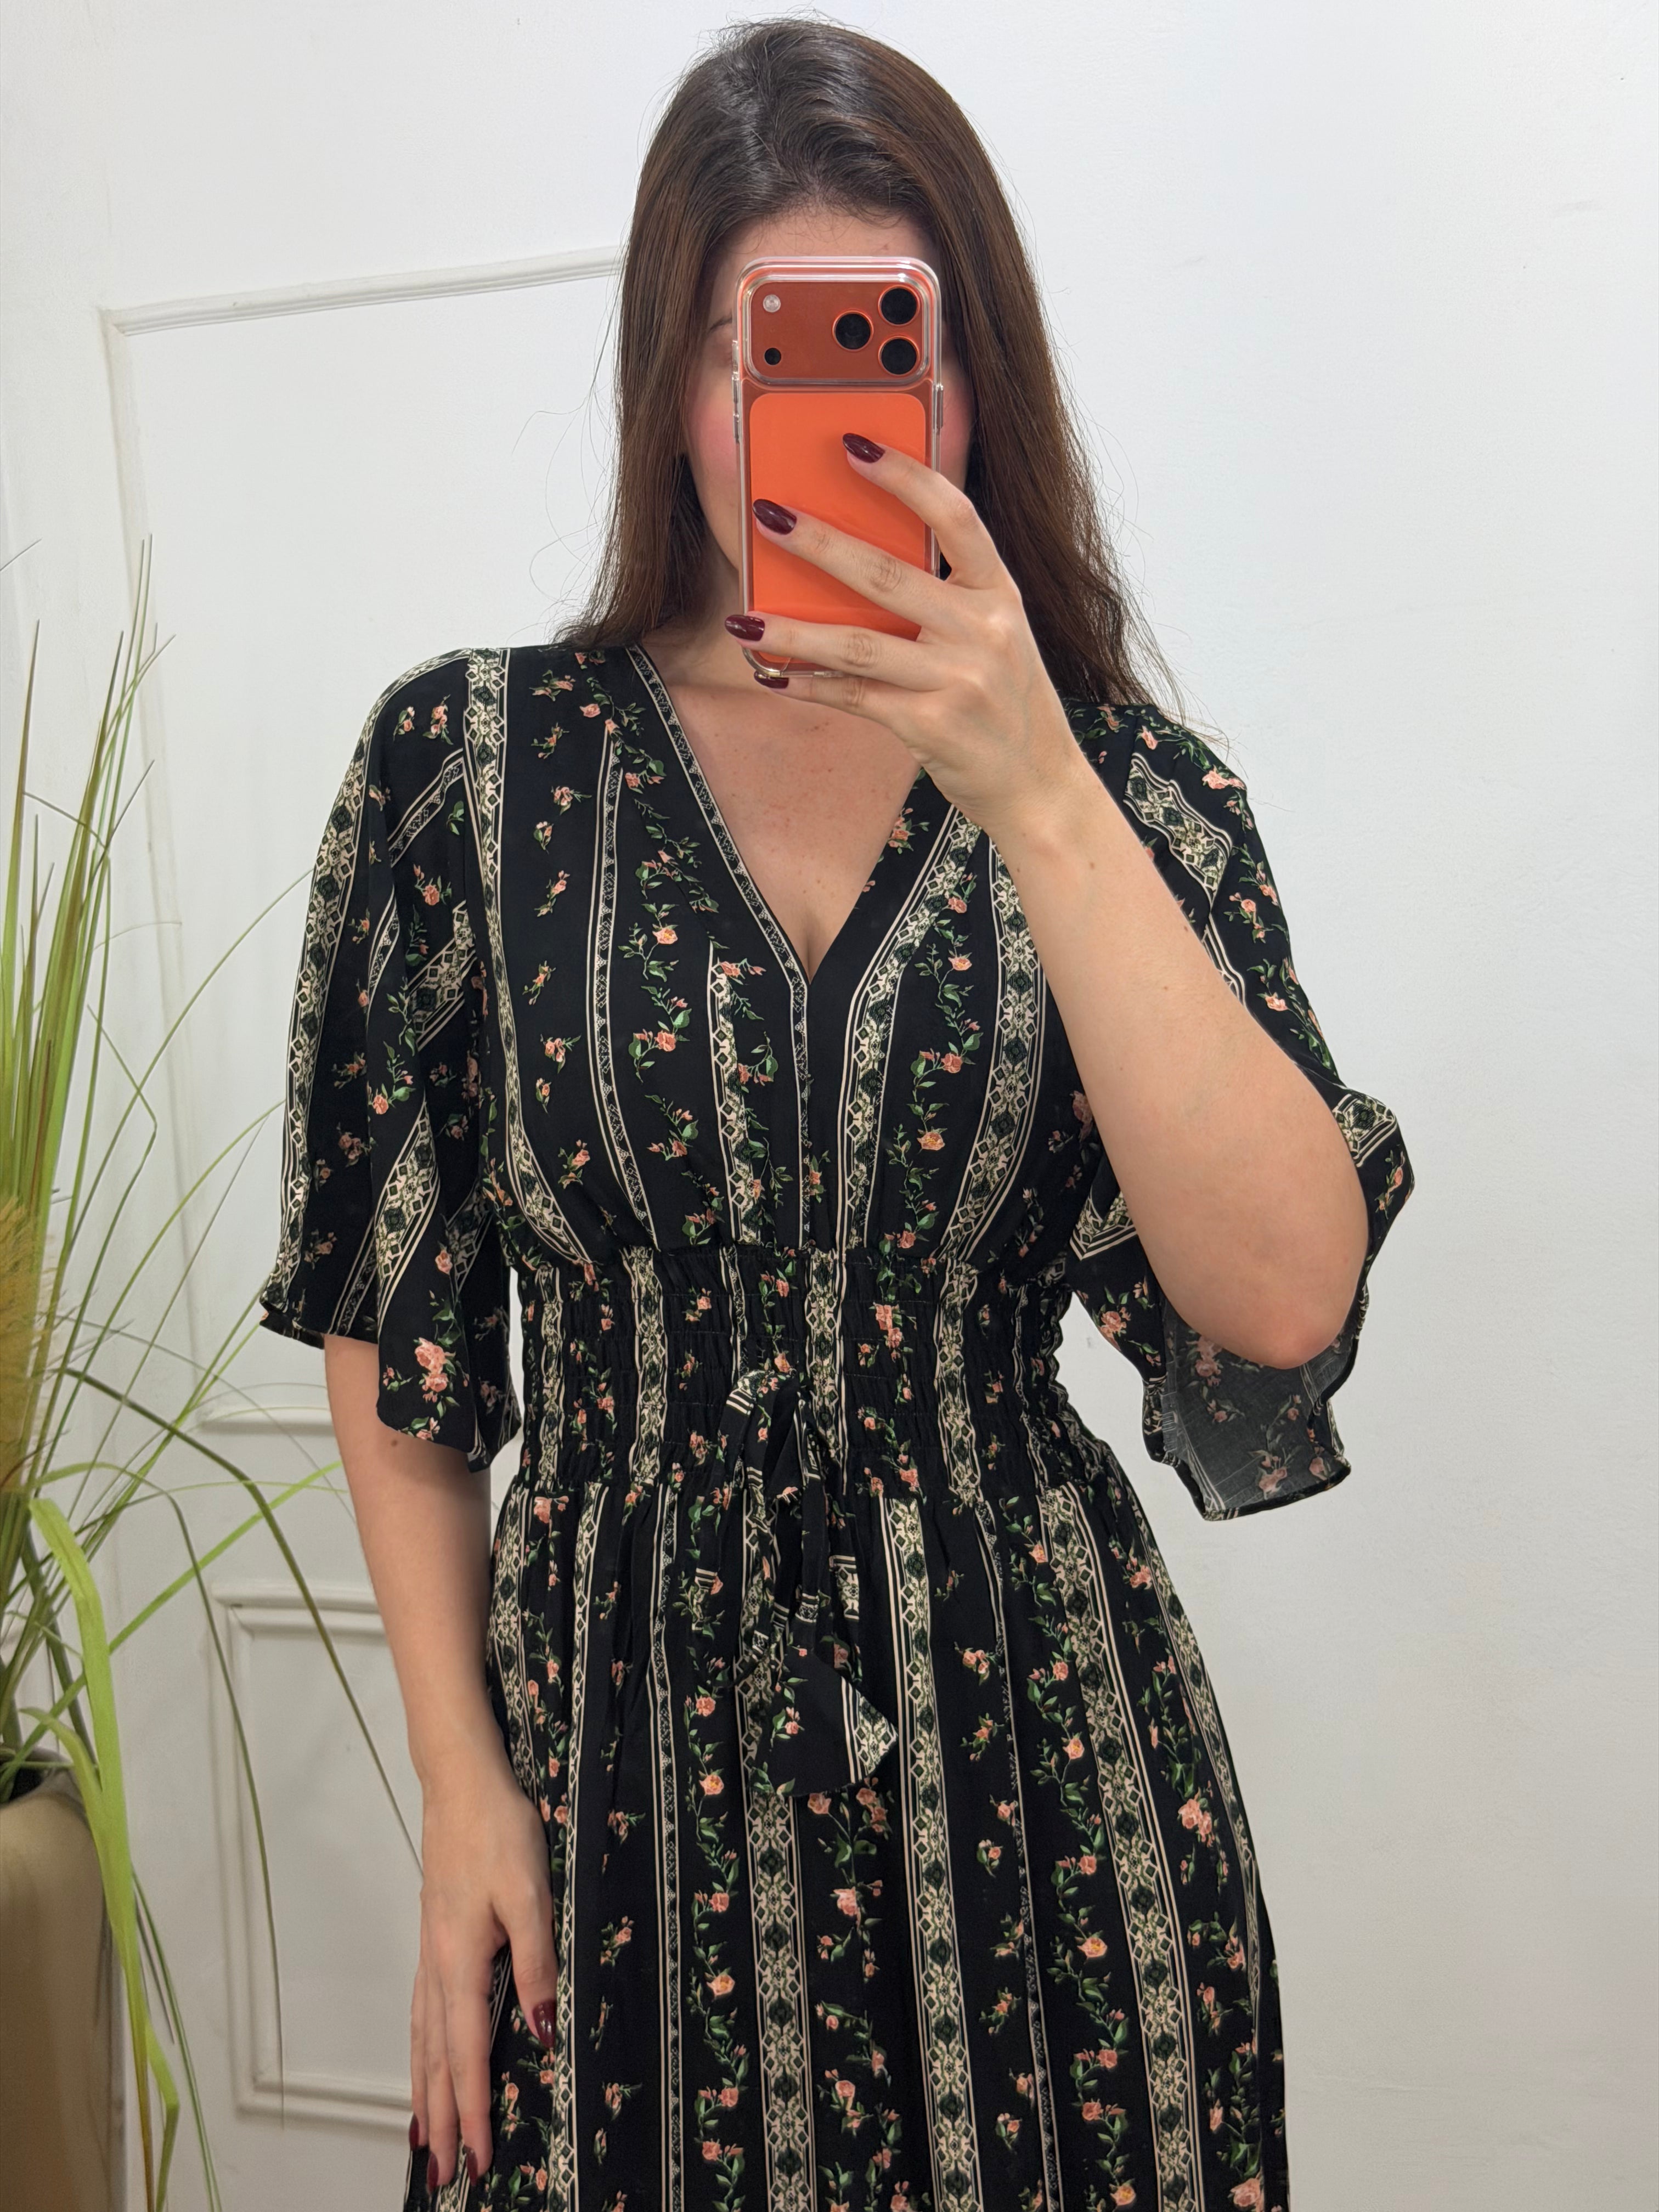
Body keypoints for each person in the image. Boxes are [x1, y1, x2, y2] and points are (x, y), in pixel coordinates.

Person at [258, 20, 1414, 2211]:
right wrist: (463, 1791)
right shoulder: (469, 777)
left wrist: (1037, 786)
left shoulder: (1125, 795)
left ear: (976, 380)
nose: (817, 416)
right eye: (752, 349)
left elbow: (1275, 1300)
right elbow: (394, 1322)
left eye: (888, 344)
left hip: (1044, 1779)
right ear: (668, 380)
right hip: (608, 1774)